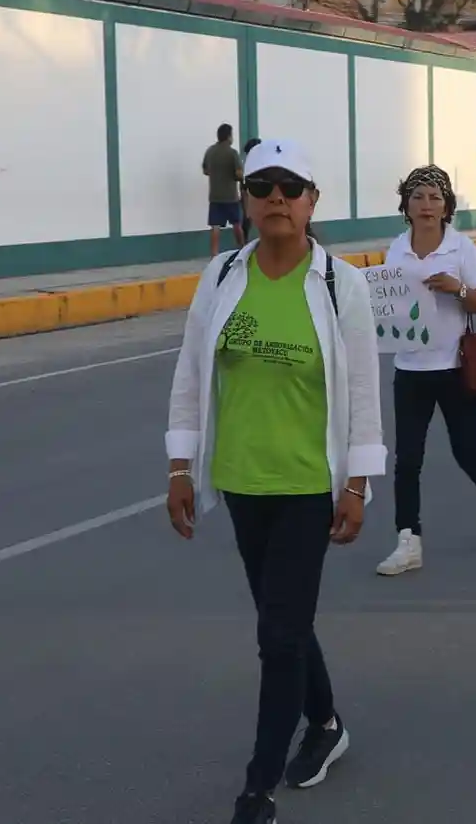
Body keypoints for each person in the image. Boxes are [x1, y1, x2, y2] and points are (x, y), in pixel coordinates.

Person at [165, 139, 384, 824]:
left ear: (313, 201)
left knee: (279, 635)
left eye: (291, 187)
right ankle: (326, 722)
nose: (277, 198)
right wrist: (180, 465)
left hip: (308, 485)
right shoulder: (223, 274)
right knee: (281, 620)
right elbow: (191, 372)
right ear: (247, 200)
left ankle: (256, 790)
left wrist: (358, 484)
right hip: (240, 481)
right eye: (263, 187)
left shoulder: (340, 284)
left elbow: (363, 391)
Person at [373, 165, 476, 577]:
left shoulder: (461, 248)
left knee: (466, 450)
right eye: (417, 197)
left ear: (446, 206)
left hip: (456, 368)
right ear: (406, 205)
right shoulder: (396, 249)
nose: (426, 205)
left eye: (434, 197)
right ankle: (408, 541)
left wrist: (458, 289)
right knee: (407, 460)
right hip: (410, 369)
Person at [204, 123, 246, 257]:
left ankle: (214, 253)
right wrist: (239, 178)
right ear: (229, 136)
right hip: (230, 196)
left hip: (215, 195)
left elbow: (205, 170)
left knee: (215, 226)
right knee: (237, 224)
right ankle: (242, 249)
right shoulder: (232, 153)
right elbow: (239, 173)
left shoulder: (210, 151)